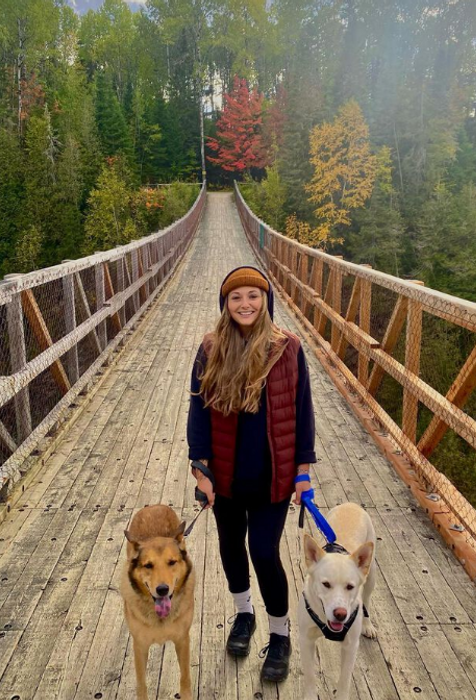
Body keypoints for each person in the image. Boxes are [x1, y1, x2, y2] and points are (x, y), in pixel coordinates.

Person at [187, 266, 316, 683]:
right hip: (225, 475)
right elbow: (198, 411)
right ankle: (244, 615)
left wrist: (303, 470)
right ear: (225, 304)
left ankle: (280, 634)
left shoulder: (288, 348)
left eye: (253, 296)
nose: (246, 304)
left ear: (266, 301)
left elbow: (303, 411)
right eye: (236, 297)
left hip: (273, 475)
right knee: (229, 545)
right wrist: (200, 467)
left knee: (263, 552)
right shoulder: (210, 349)